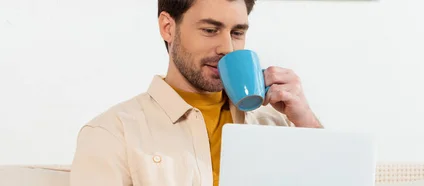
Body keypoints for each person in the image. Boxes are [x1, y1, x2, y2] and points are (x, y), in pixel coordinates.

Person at [69, 0, 322, 185]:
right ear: (168, 27)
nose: (227, 47)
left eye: (237, 33)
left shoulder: (278, 124)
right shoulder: (113, 134)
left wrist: (307, 121)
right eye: (210, 30)